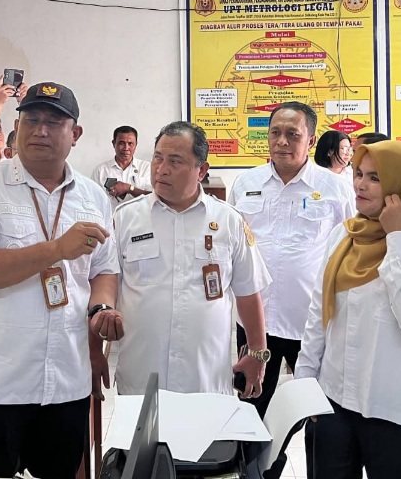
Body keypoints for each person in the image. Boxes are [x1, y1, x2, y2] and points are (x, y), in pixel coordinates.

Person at [0, 81, 123, 479]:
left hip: (65, 380)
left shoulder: (93, 197)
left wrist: (101, 309)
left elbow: (103, 269)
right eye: (32, 120)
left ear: (75, 134)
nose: (40, 130)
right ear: (17, 125)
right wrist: (55, 249)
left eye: (54, 122)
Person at [296, 140, 401, 479]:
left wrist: (399, 237)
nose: (360, 184)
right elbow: (320, 310)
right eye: (358, 174)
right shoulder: (345, 235)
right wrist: (305, 379)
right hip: (334, 400)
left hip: (395, 412)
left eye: (374, 177)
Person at [111, 121, 272, 398]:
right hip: (141, 377)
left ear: (202, 170)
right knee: (142, 429)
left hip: (206, 378)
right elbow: (105, 286)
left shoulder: (229, 221)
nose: (162, 169)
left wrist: (257, 351)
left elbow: (248, 292)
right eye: (158, 158)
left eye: (175, 161)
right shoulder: (125, 218)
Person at [229, 102, 355, 417]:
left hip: (310, 322)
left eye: (292, 134)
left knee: (316, 411)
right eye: (275, 133)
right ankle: (255, 453)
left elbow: (352, 248)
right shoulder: (246, 184)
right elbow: (232, 247)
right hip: (254, 322)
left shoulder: (335, 188)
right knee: (251, 407)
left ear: (310, 140)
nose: (281, 141)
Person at [90, 125, 152, 209]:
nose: (126, 148)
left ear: (136, 145)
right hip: (110, 217)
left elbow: (154, 198)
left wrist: (129, 188)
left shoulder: (147, 168)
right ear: (114, 143)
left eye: (130, 144)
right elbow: (92, 200)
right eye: (121, 143)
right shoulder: (100, 171)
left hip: (139, 217)